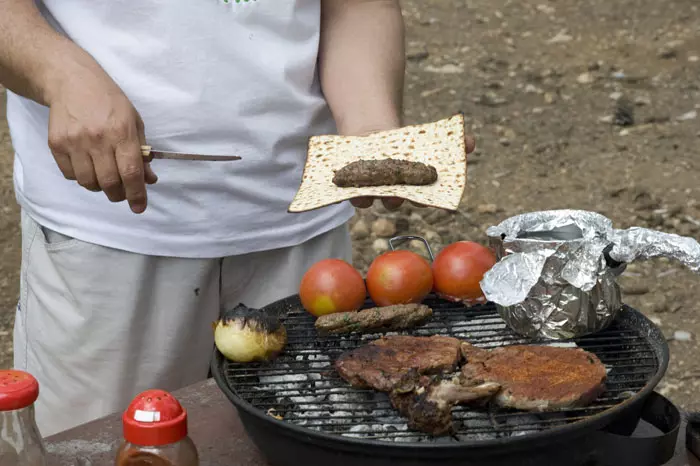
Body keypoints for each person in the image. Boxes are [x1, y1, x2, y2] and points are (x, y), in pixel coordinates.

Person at [0, 0, 474, 437]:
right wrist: (61, 74)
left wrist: (368, 127)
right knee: (104, 448)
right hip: (107, 232)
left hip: (302, 233)